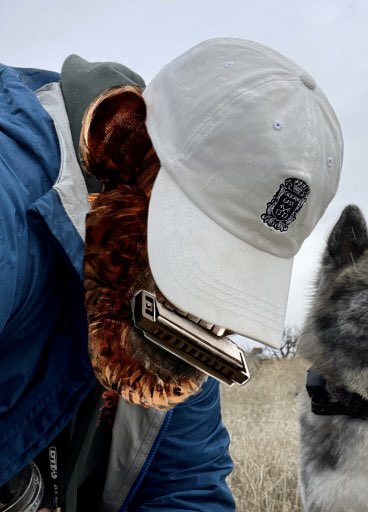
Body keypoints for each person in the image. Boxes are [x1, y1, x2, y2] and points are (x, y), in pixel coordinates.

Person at [0, 38, 343, 511]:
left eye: (235, 272)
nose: (208, 317)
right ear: (119, 140)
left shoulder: (171, 332)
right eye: (195, 257)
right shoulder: (10, 206)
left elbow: (185, 484)